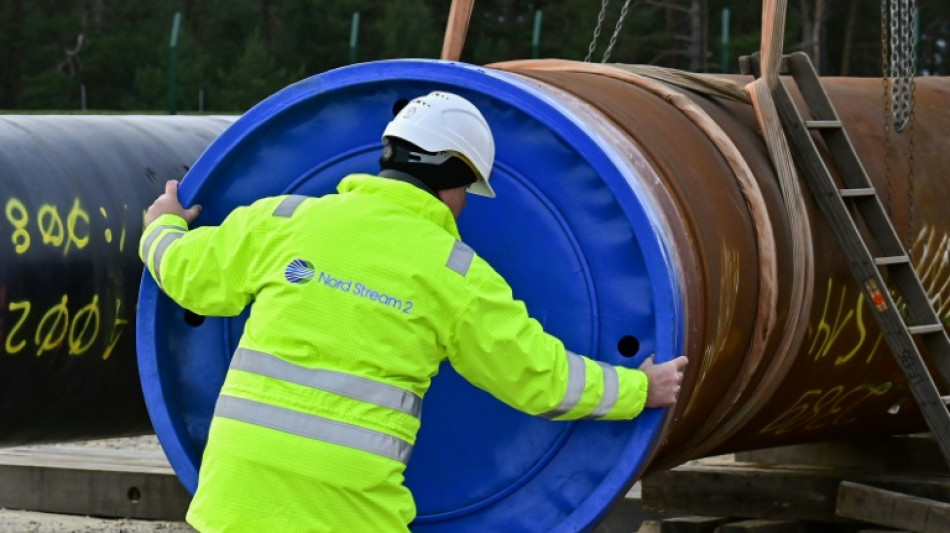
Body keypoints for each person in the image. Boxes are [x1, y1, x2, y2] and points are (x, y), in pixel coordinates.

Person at [139, 91, 688, 533]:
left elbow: (190, 275)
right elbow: (539, 380)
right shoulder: (456, 275)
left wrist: (162, 224)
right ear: (454, 180)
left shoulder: (289, 219)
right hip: (349, 509)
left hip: (237, 491)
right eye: (469, 189)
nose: (466, 204)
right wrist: (640, 389)